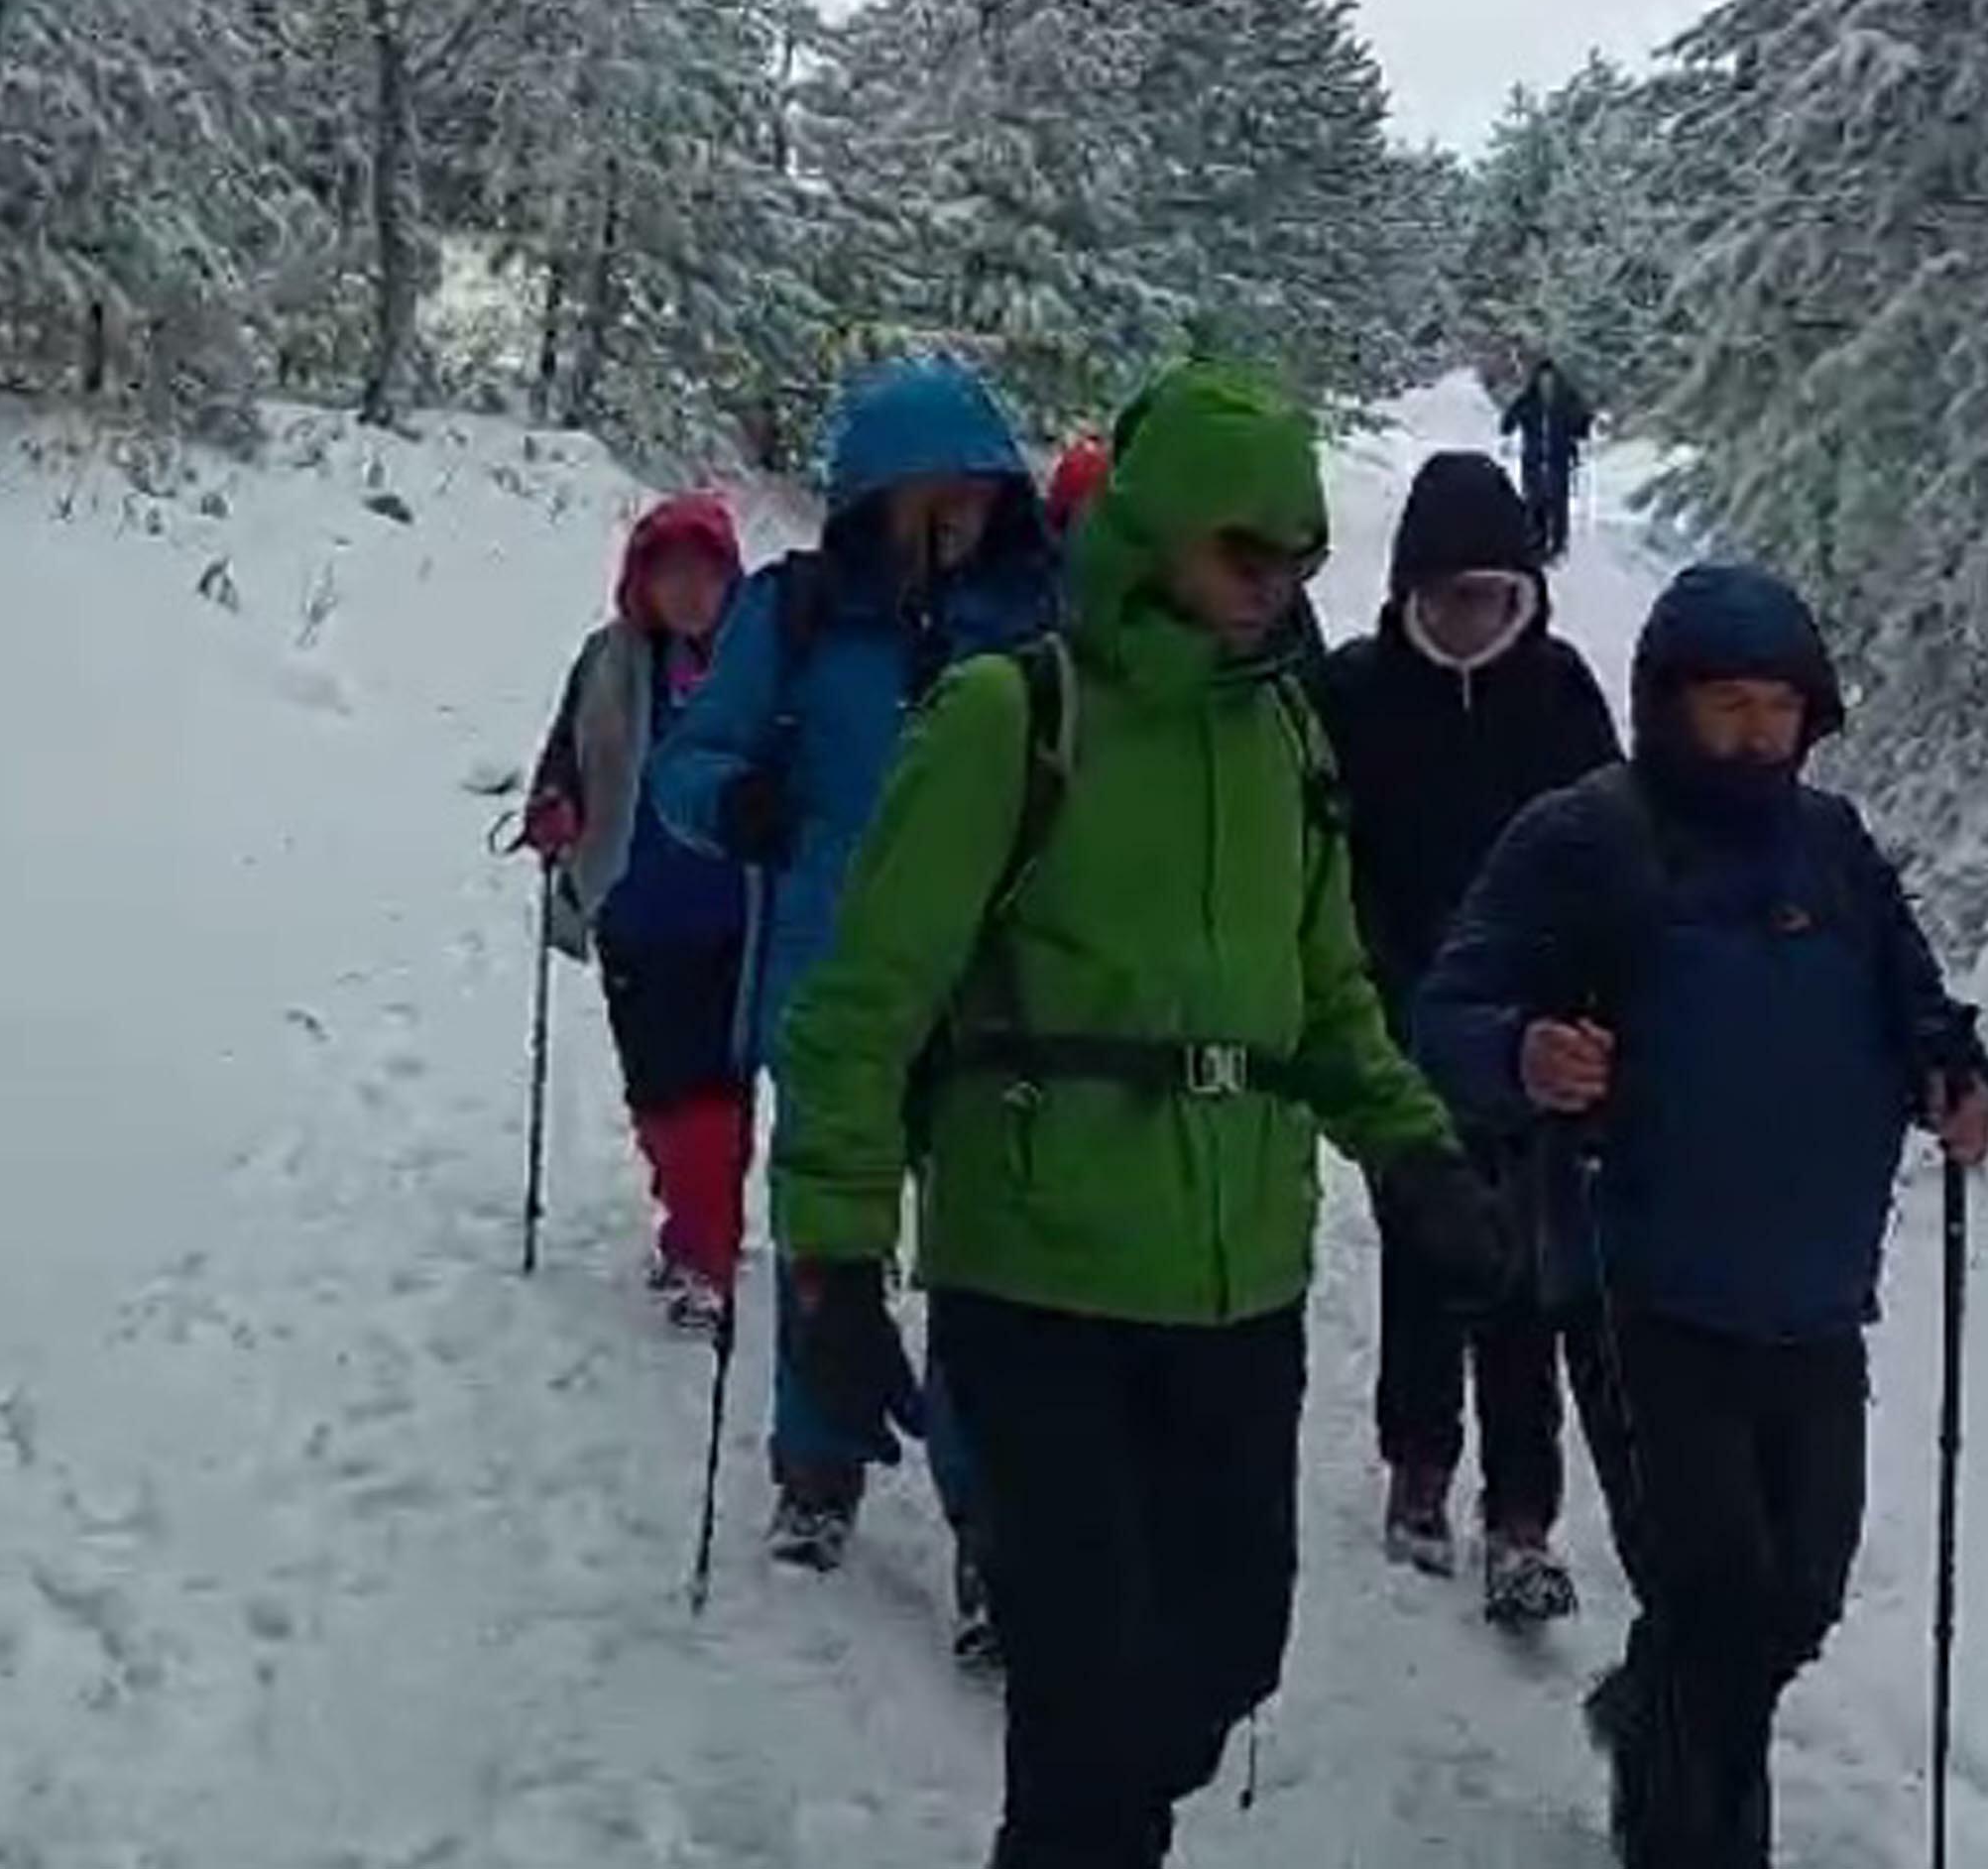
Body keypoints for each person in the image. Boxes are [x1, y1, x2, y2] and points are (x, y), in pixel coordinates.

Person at [774, 360, 1510, 1868]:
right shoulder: (1007, 715)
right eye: (1246, 554)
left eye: (1299, 564)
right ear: (1159, 531)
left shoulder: (1287, 739)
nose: (1272, 591)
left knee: (1229, 1653)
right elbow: (864, 1004)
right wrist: (833, 1253)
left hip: (1242, 1278)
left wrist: (1413, 1143)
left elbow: (1330, 992)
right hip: (1037, 1269)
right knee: (1083, 1695)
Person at [1413, 560, 1988, 1869]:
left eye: (1775, 707)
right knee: (1714, 1591)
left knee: (1795, 1592)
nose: (1751, 732)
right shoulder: (1584, 836)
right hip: (1638, 1278)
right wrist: (1524, 1053)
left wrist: (1957, 1073)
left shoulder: (1834, 847)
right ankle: (1691, 1835)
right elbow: (1445, 1006)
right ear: (1666, 704)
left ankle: (1650, 1715)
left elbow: (1916, 1003)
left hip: (1811, 1290)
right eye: (1725, 704)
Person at [647, 350, 1057, 1639]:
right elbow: (688, 760)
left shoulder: (1041, 623)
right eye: (922, 491)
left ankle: (995, 1526)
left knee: (988, 1267)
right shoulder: (800, 612)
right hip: (835, 979)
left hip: (994, 990)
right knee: (831, 1242)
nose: (952, 515)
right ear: (869, 496)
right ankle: (815, 1465)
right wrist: (735, 800)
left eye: (972, 490)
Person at [1312, 451, 1620, 1623]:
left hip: (1534, 1037)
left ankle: (1523, 1520)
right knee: (1426, 1253)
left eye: (1492, 593)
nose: (1469, 615)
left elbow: (1615, 852)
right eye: (1447, 594)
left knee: (1530, 1281)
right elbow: (1324, 856)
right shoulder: (1355, 693)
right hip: (1398, 1021)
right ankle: (1418, 1469)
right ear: (1408, 592)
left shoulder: (1561, 695)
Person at [524, 495, 749, 1329]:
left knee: (714, 1095)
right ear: (640, 582)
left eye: (707, 573)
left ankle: (706, 1253)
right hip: (633, 906)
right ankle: (689, 1220)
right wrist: (553, 806)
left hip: (733, 911)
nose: (690, 592)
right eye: (670, 574)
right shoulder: (607, 661)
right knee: (656, 1090)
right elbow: (565, 753)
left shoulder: (757, 664)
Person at [1500, 355, 1595, 562]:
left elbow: (1582, 420)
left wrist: (1583, 428)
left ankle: (1558, 544)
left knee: (1558, 501)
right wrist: (1509, 425)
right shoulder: (1529, 399)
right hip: (1534, 457)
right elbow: (1510, 418)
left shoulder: (1567, 399)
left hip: (1558, 458)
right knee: (1535, 499)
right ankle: (1537, 542)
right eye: (1543, 380)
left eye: (1550, 380)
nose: (1546, 384)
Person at [1044, 432, 1111, 537]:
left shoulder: (1075, 455)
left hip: (1064, 505)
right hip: (1079, 511)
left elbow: (1059, 478)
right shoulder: (1103, 462)